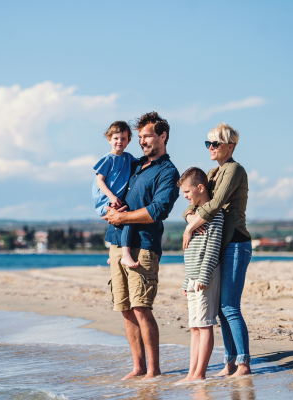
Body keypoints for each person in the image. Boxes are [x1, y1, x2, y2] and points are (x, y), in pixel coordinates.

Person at [103, 112, 180, 380]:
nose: (142, 141)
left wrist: (123, 217)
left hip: (144, 246)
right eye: (140, 137)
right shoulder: (135, 165)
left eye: (147, 136)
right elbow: (109, 180)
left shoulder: (168, 172)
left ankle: (154, 370)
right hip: (117, 244)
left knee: (141, 307)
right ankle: (138, 367)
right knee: (124, 307)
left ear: (163, 136)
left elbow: (158, 210)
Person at [182, 123, 252, 377]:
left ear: (230, 147)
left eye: (216, 144)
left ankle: (243, 363)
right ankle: (229, 362)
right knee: (221, 309)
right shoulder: (211, 173)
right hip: (220, 245)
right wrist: (189, 217)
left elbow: (215, 205)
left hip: (236, 244)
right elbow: (193, 205)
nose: (210, 147)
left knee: (230, 306)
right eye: (208, 143)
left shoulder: (234, 170)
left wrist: (190, 228)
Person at [175, 167, 224, 383]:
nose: (185, 196)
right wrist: (188, 279)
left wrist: (203, 277)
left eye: (187, 191)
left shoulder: (215, 215)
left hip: (206, 278)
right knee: (194, 327)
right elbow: (192, 253)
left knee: (204, 326)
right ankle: (191, 373)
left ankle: (200, 374)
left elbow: (212, 249)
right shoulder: (194, 217)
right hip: (193, 278)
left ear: (200, 187)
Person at [92, 121, 140, 268]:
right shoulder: (107, 159)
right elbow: (100, 180)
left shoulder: (128, 157)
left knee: (119, 222)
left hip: (117, 198)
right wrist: (111, 197)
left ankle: (113, 256)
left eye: (123, 138)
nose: (119, 141)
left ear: (129, 141)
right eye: (116, 138)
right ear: (109, 139)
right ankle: (125, 255)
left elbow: (140, 164)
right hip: (106, 198)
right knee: (126, 219)